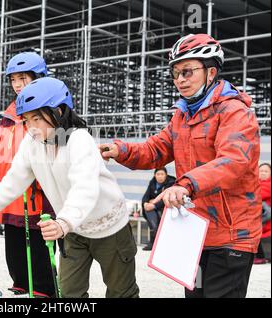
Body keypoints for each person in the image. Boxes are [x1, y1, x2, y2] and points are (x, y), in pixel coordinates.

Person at [100, 33, 262, 298]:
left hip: (231, 236)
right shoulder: (183, 115)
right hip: (194, 234)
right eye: (175, 73)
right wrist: (121, 150)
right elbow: (155, 149)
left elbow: (233, 161)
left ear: (211, 72)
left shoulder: (234, 111)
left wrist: (186, 184)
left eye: (187, 71)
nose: (180, 80)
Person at [0, 77, 139, 298]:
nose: (31, 127)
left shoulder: (79, 139)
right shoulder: (32, 143)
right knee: (69, 294)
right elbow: (12, 181)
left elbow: (84, 188)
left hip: (108, 225)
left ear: (59, 111)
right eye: (26, 120)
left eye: (37, 118)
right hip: (72, 229)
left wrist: (63, 222)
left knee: (121, 292)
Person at [0, 52, 56, 297]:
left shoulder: (50, 111)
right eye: (13, 80)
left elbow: (58, 152)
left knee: (41, 253)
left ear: (38, 77)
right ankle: (20, 286)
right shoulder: (10, 115)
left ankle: (44, 291)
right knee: (15, 251)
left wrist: (44, 178)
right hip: (12, 199)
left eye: (23, 78)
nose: (18, 85)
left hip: (38, 197)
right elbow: (0, 154)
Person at [141, 167, 175, 251]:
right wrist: (145, 203)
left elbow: (167, 199)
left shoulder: (171, 183)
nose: (160, 176)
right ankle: (153, 242)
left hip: (166, 208)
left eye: (162, 174)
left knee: (153, 211)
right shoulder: (152, 182)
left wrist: (154, 204)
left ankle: (155, 243)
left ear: (166, 175)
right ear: (154, 175)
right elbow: (146, 196)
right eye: (158, 174)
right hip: (154, 209)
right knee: (149, 211)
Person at [255, 163, 271, 264]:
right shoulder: (254, 184)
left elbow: (257, 195)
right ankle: (260, 257)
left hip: (267, 223)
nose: (263, 173)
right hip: (260, 222)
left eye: (266, 171)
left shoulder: (268, 185)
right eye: (261, 171)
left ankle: (262, 257)